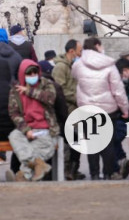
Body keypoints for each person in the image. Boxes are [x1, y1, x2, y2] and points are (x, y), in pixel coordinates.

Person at [73, 37, 129, 180]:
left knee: (92, 143)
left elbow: (76, 79)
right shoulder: (109, 65)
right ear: (97, 46)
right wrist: (125, 108)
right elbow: (118, 90)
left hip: (86, 108)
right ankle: (108, 172)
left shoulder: (78, 65)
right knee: (108, 144)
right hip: (107, 109)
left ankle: (94, 173)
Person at [8, 60, 60, 181]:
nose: (32, 76)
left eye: (34, 73)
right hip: (27, 128)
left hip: (45, 128)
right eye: (29, 74)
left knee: (42, 146)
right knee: (14, 136)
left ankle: (23, 175)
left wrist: (29, 91)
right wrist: (26, 130)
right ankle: (37, 165)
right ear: (22, 74)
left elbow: (50, 98)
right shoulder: (15, 91)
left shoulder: (46, 84)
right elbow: (14, 112)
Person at [52, 39, 85, 180]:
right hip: (66, 111)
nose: (81, 53)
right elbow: (60, 90)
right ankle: (66, 169)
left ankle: (73, 169)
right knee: (69, 142)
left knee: (77, 142)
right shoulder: (61, 67)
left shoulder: (72, 65)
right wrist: (78, 98)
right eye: (80, 50)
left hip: (74, 109)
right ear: (71, 51)